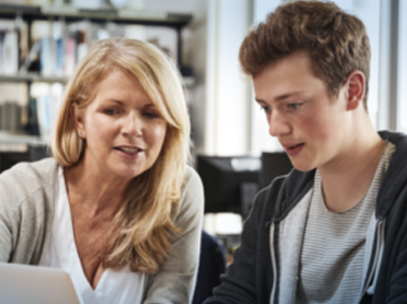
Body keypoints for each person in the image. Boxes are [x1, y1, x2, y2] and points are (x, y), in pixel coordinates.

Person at [204, 1, 407, 304]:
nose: (274, 128)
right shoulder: (273, 208)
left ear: (352, 90)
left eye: (293, 105)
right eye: (266, 108)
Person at [0, 38, 204, 304]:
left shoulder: (180, 192)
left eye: (151, 114)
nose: (132, 128)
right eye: (112, 110)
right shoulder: (17, 192)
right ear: (79, 119)